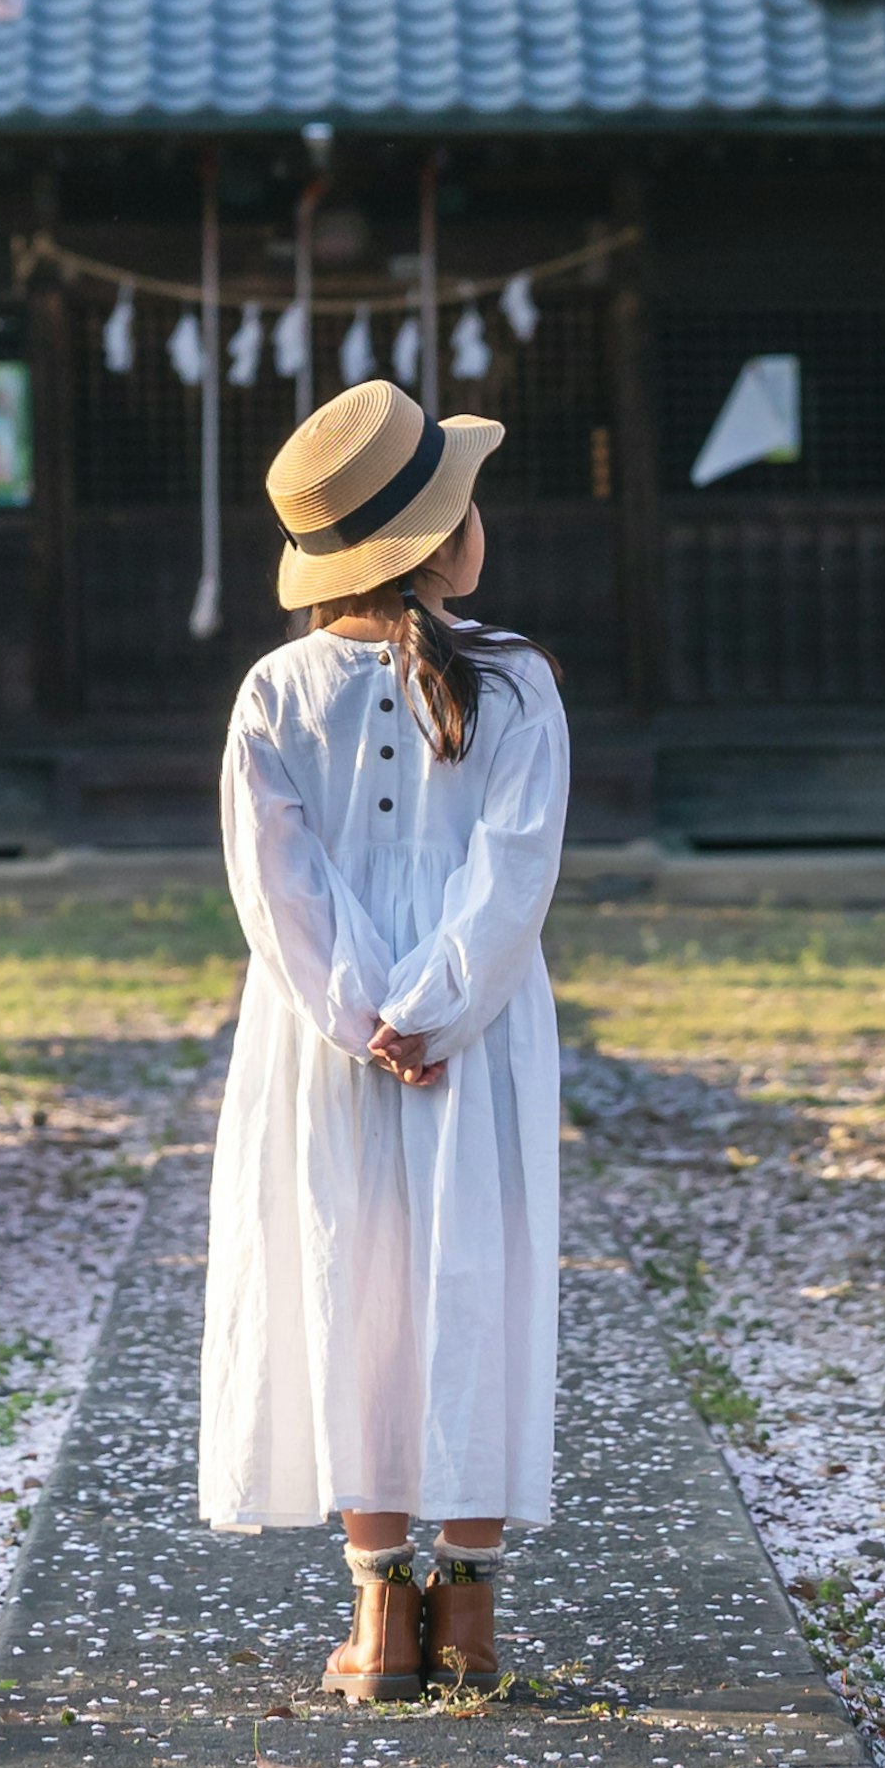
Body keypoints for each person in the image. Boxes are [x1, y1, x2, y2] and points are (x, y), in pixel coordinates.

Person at [199, 374, 571, 1699]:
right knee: (474, 1266)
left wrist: (365, 1013)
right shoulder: (519, 682)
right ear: (446, 539)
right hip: (475, 1034)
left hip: (320, 1039)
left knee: (343, 1271)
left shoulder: (272, 689)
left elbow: (277, 887)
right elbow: (516, 872)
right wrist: (433, 1008)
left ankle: (380, 1616)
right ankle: (467, 1608)